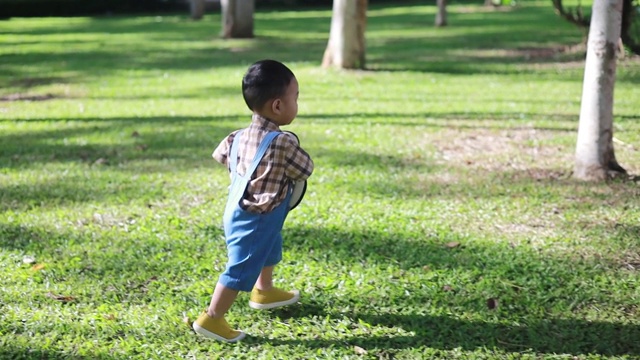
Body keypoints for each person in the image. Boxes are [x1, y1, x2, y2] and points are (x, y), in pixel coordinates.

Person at [193, 60, 314, 342]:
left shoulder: (237, 137)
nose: (297, 103)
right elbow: (305, 168)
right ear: (277, 106)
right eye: (295, 97)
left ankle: (265, 291)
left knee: (269, 247)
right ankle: (212, 319)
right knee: (239, 267)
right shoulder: (282, 142)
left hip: (239, 209)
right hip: (258, 216)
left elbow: (221, 155)